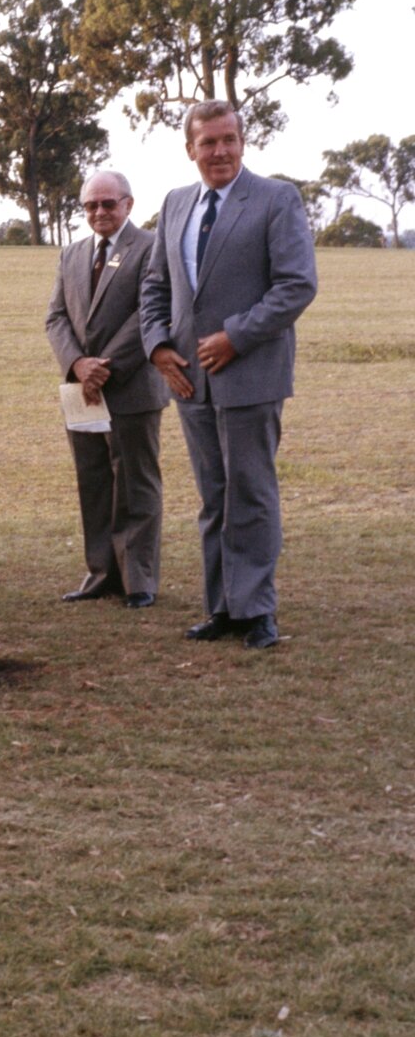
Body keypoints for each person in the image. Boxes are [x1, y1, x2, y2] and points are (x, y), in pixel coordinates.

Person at [140, 100, 318, 649]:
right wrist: (157, 347)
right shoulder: (175, 204)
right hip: (189, 380)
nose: (219, 151)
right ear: (189, 149)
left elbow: (296, 285)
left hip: (251, 373)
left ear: (243, 142)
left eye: (228, 140)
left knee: (251, 494)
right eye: (208, 142)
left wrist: (235, 337)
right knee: (214, 497)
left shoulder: (276, 199)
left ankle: (256, 610)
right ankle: (222, 607)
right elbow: (155, 286)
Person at [46, 170, 169, 610]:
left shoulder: (153, 247)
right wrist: (77, 365)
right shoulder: (72, 253)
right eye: (90, 205)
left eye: (108, 203)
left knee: (135, 484)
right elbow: (56, 317)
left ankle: (138, 580)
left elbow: (150, 312)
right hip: (81, 390)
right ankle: (101, 573)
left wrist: (104, 367)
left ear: (128, 204)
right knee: (93, 482)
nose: (99, 212)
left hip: (131, 386)